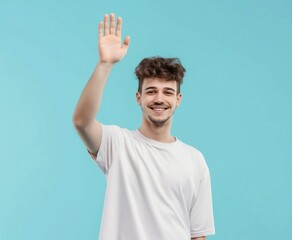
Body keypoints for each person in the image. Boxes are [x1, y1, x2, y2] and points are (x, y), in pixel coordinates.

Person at [72, 13, 215, 240]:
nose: (159, 98)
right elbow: (81, 121)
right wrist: (105, 64)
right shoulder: (117, 144)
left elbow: (197, 235)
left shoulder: (195, 160)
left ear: (178, 99)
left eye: (168, 92)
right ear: (138, 97)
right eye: (151, 91)